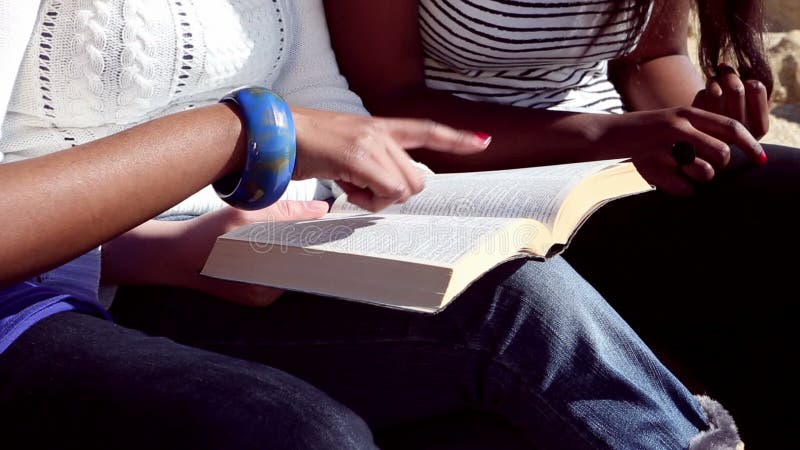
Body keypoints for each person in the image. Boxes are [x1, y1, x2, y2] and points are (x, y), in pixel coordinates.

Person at [0, 1, 742, 449]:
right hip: (83, 285)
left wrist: (378, 192)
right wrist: (166, 243)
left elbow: (327, 104)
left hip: (253, 251)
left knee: (519, 301)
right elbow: (282, 122)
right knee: (300, 434)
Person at [323, 0, 797, 447]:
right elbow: (388, 102)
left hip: (617, 161)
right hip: (463, 184)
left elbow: (652, 56)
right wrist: (608, 136)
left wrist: (698, 126)